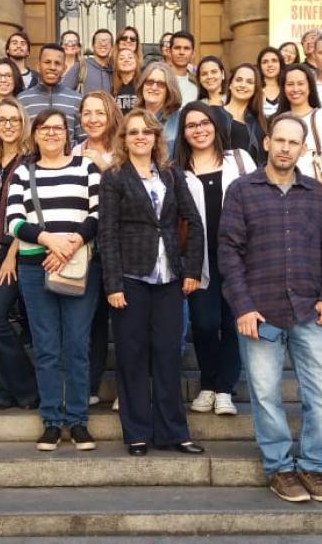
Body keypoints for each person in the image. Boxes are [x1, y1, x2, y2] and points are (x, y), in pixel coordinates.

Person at [219, 112, 322, 505]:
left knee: (321, 394)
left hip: (309, 309)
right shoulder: (241, 190)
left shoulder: (315, 193)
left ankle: (311, 467)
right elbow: (229, 252)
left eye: (294, 142)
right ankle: (280, 470)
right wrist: (243, 306)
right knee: (266, 395)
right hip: (261, 312)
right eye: (280, 140)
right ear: (267, 142)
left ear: (303, 149)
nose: (286, 148)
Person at [100, 109, 206, 456]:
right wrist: (112, 283)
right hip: (130, 278)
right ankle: (137, 433)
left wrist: (191, 270)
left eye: (147, 132)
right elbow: (108, 233)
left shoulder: (170, 175)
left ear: (157, 138)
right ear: (124, 139)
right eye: (133, 133)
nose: (141, 137)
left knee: (167, 355)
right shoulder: (114, 177)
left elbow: (194, 221)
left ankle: (173, 431)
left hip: (170, 279)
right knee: (131, 355)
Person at [6, 109, 101, 452]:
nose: (51, 134)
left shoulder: (85, 168)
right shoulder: (22, 172)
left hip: (80, 267)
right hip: (35, 267)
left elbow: (98, 212)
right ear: (34, 134)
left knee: (77, 345)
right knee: (46, 347)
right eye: (44, 128)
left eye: (58, 128)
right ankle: (51, 421)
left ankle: (77, 421)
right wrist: (50, 241)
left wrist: (71, 243)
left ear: (67, 133)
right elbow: (13, 222)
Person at [175, 101, 252, 416]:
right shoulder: (177, 170)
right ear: (184, 133)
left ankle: (224, 388)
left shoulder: (240, 159)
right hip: (198, 261)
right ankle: (208, 382)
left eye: (204, 123)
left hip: (238, 258)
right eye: (191, 125)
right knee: (205, 324)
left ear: (215, 126)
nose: (199, 130)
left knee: (233, 323)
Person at [0, 97, 39, 410]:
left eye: (14, 119)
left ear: (23, 123)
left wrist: (14, 252)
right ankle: (4, 391)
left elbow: (30, 213)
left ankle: (28, 386)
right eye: (2, 120)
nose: (8, 125)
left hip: (13, 249)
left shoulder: (31, 162)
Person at [74, 91, 122, 404]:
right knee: (90, 321)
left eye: (99, 113)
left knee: (125, 322)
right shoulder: (75, 151)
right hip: (88, 248)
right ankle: (90, 386)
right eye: (87, 113)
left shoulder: (124, 149)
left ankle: (125, 389)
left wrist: (101, 166)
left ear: (110, 115)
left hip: (122, 245)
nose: (93, 119)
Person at [275, 64, 322, 194]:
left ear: (310, 87)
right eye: (290, 84)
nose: (295, 89)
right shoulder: (278, 120)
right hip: (280, 190)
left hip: (313, 189)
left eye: (301, 84)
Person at [17, 43, 85, 143]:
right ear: (38, 66)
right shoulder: (22, 100)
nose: (52, 67)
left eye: (57, 63)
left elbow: (83, 140)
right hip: (31, 158)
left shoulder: (77, 100)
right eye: (47, 62)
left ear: (64, 69)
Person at [214, 63, 267, 166]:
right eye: (238, 80)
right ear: (230, 84)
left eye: (249, 82)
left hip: (252, 180)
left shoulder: (260, 123)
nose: (243, 85)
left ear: (255, 88)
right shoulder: (213, 114)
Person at [134, 61, 184, 154]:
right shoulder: (133, 118)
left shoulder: (180, 119)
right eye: (149, 82)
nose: (153, 87)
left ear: (169, 89)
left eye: (161, 84)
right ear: (142, 85)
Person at [64, 29, 114, 94]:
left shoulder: (115, 70)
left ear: (112, 47)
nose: (103, 44)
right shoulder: (81, 66)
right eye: (99, 41)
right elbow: (63, 92)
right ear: (93, 46)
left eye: (107, 42)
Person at [167, 31, 199, 104]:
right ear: (169, 52)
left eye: (186, 48)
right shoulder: (160, 79)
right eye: (177, 48)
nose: (181, 52)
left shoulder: (198, 84)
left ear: (193, 54)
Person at [111, 46, 140, 114]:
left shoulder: (143, 85)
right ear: (117, 64)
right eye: (121, 58)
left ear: (136, 62)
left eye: (130, 57)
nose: (126, 60)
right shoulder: (112, 87)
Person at [257, 46, 285, 116]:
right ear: (260, 66)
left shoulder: (287, 88)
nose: (270, 65)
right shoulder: (254, 89)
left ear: (280, 64)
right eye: (265, 62)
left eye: (274, 61)